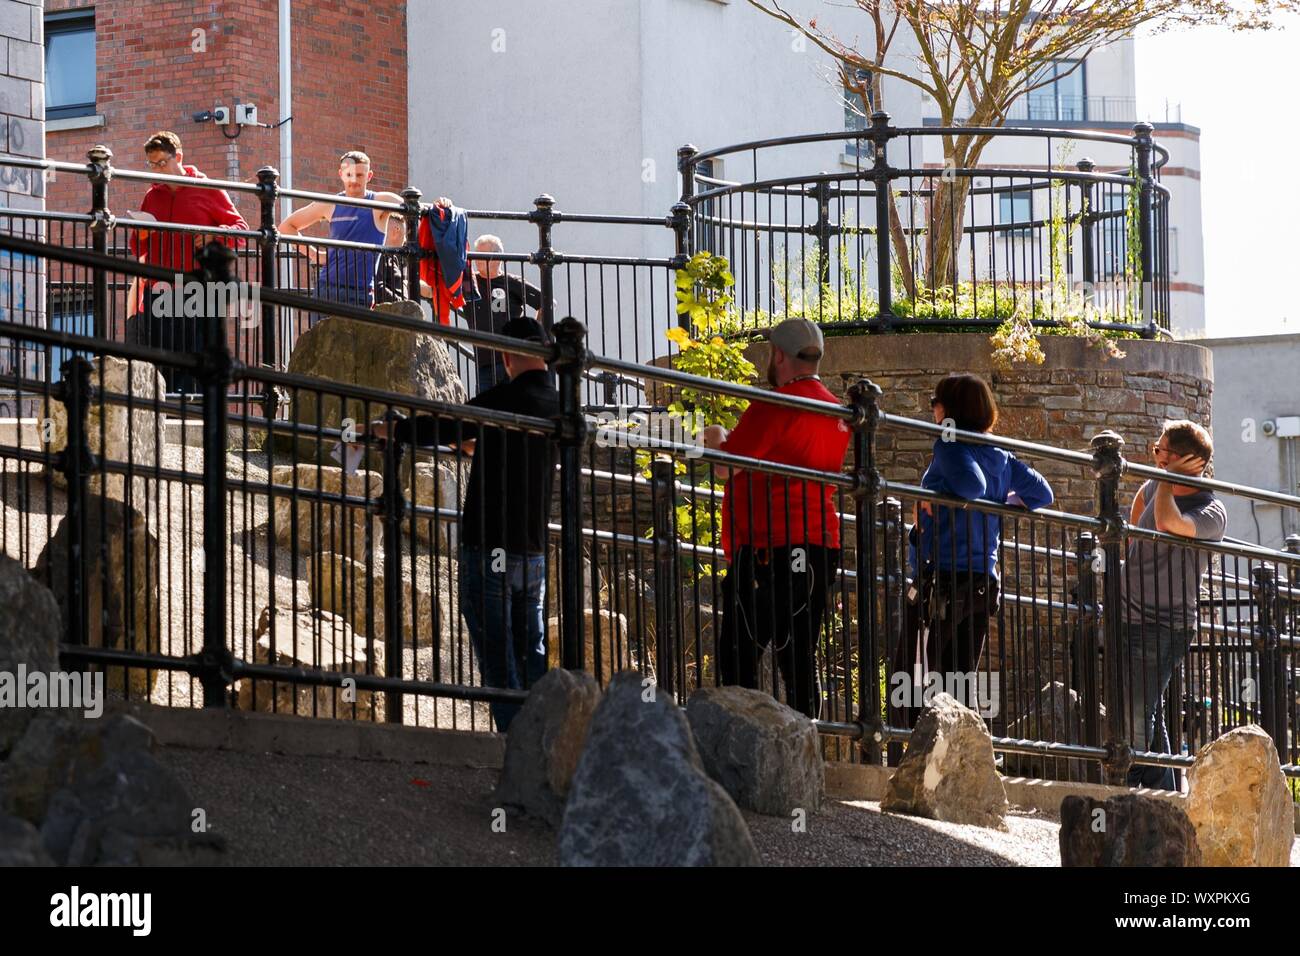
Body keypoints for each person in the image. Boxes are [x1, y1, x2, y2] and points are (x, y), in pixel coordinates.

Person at [364, 317, 558, 732]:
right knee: (531, 658)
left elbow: (449, 422)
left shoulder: (506, 399)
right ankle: (543, 745)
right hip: (533, 551)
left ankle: (515, 747)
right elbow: (493, 438)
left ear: (506, 356)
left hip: (490, 544)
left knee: (497, 660)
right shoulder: (556, 407)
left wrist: (394, 430)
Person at [701, 318, 850, 720]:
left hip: (769, 550)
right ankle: (806, 747)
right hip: (819, 546)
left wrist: (715, 437)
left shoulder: (774, 405)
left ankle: (742, 743)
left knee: (738, 653)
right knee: (798, 655)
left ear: (778, 355)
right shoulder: (839, 412)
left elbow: (725, 467)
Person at [894, 374, 1054, 726]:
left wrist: (946, 501)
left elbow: (970, 485)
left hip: (943, 580)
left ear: (950, 409)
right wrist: (998, 505)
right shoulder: (998, 452)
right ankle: (960, 761)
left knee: (911, 677)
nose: (932, 409)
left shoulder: (949, 445)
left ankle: (903, 759)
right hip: (982, 582)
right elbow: (1042, 493)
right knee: (958, 681)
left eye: (935, 402)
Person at [1121, 420, 1225, 790]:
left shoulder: (1211, 511)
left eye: (1161, 453)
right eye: (1156, 451)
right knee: (1148, 708)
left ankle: (1128, 783)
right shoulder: (1155, 485)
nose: (1155, 458)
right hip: (1130, 614)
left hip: (1166, 625)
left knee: (1136, 712)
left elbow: (1167, 521)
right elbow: (1139, 512)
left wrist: (1165, 477)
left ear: (1189, 460)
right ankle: (1164, 791)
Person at [126, 131, 248, 392]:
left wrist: (213, 235)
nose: (158, 169)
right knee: (160, 358)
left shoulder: (208, 189)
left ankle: (197, 418)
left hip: (196, 288)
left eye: (162, 163)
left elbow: (241, 230)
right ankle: (166, 416)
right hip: (158, 289)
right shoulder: (152, 196)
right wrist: (142, 234)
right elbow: (137, 247)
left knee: (194, 358)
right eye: (152, 164)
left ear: (178, 157)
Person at [277, 150, 447, 323]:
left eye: (359, 174)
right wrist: (314, 254)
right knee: (320, 349)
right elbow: (286, 227)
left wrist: (439, 207)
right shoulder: (329, 204)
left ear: (369, 175)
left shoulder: (379, 201)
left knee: (355, 349)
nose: (354, 180)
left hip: (360, 293)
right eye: (349, 174)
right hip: (326, 289)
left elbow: (415, 210)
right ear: (341, 174)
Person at [463, 235, 551, 393]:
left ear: (496, 259)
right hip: (483, 361)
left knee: (514, 407)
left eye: (482, 257)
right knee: (486, 409)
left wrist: (535, 337)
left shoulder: (512, 282)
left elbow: (546, 303)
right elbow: (440, 291)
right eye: (475, 256)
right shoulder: (470, 282)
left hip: (511, 359)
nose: (476, 261)